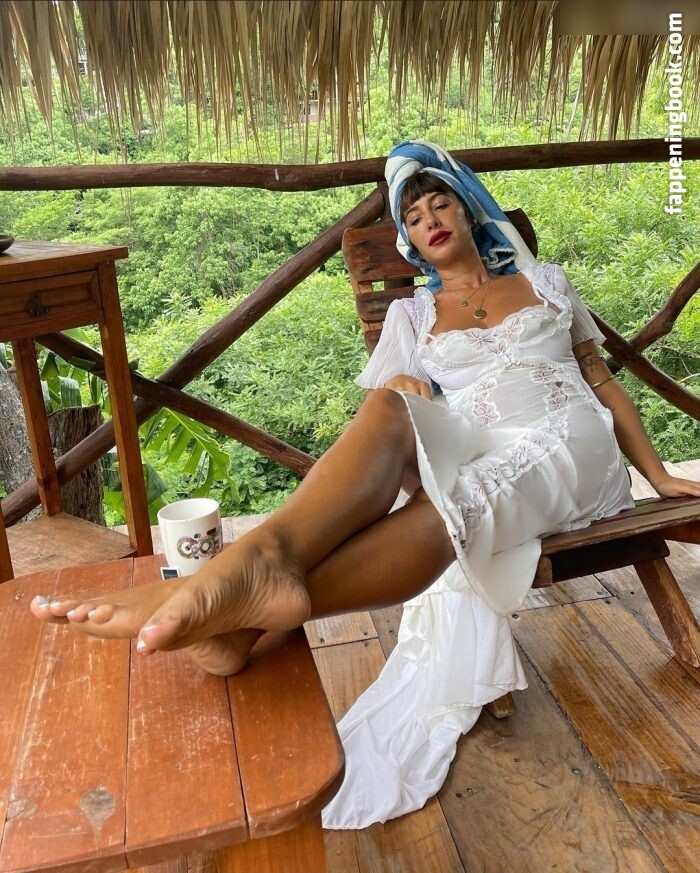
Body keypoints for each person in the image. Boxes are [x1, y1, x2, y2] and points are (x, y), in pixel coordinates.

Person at [31, 140, 699, 828]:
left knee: (459, 498)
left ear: (469, 211)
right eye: (413, 216)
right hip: (478, 441)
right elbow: (391, 413)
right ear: (410, 240)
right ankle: (265, 560)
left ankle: (251, 606)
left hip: (570, 444)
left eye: (440, 203)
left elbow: (602, 382)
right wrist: (406, 380)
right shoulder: (412, 316)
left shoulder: (547, 283)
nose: (430, 219)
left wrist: (656, 474)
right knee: (386, 406)